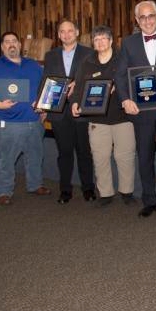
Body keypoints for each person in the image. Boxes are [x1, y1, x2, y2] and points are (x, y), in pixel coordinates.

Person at [115, 0, 156, 218]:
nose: (147, 21)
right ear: (136, 20)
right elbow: (121, 74)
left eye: (151, 15)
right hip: (141, 110)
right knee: (144, 155)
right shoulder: (128, 42)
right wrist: (125, 100)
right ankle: (150, 200)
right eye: (142, 17)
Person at [0, 32, 49, 205]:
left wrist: (44, 108)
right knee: (5, 158)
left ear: (19, 44)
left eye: (14, 41)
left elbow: (44, 88)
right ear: (2, 46)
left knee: (35, 155)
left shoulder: (33, 65)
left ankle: (35, 184)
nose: (11, 44)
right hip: (8, 121)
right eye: (7, 42)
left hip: (34, 120)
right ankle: (4, 191)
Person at [70, 25, 137, 207]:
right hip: (97, 119)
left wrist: (118, 86)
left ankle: (126, 191)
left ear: (111, 40)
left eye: (103, 38)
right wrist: (75, 102)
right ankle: (106, 193)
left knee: (125, 156)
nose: (99, 42)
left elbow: (133, 80)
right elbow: (79, 87)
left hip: (122, 117)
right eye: (96, 39)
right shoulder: (87, 62)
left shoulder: (122, 59)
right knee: (100, 157)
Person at [43, 20, 96, 204]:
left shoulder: (89, 53)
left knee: (84, 152)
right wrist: (43, 106)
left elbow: (95, 77)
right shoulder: (50, 55)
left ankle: (88, 188)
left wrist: (78, 84)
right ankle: (65, 190)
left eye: (70, 31)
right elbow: (46, 81)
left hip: (80, 109)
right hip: (58, 112)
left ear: (77, 32)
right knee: (64, 152)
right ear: (58, 35)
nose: (66, 34)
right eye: (62, 32)